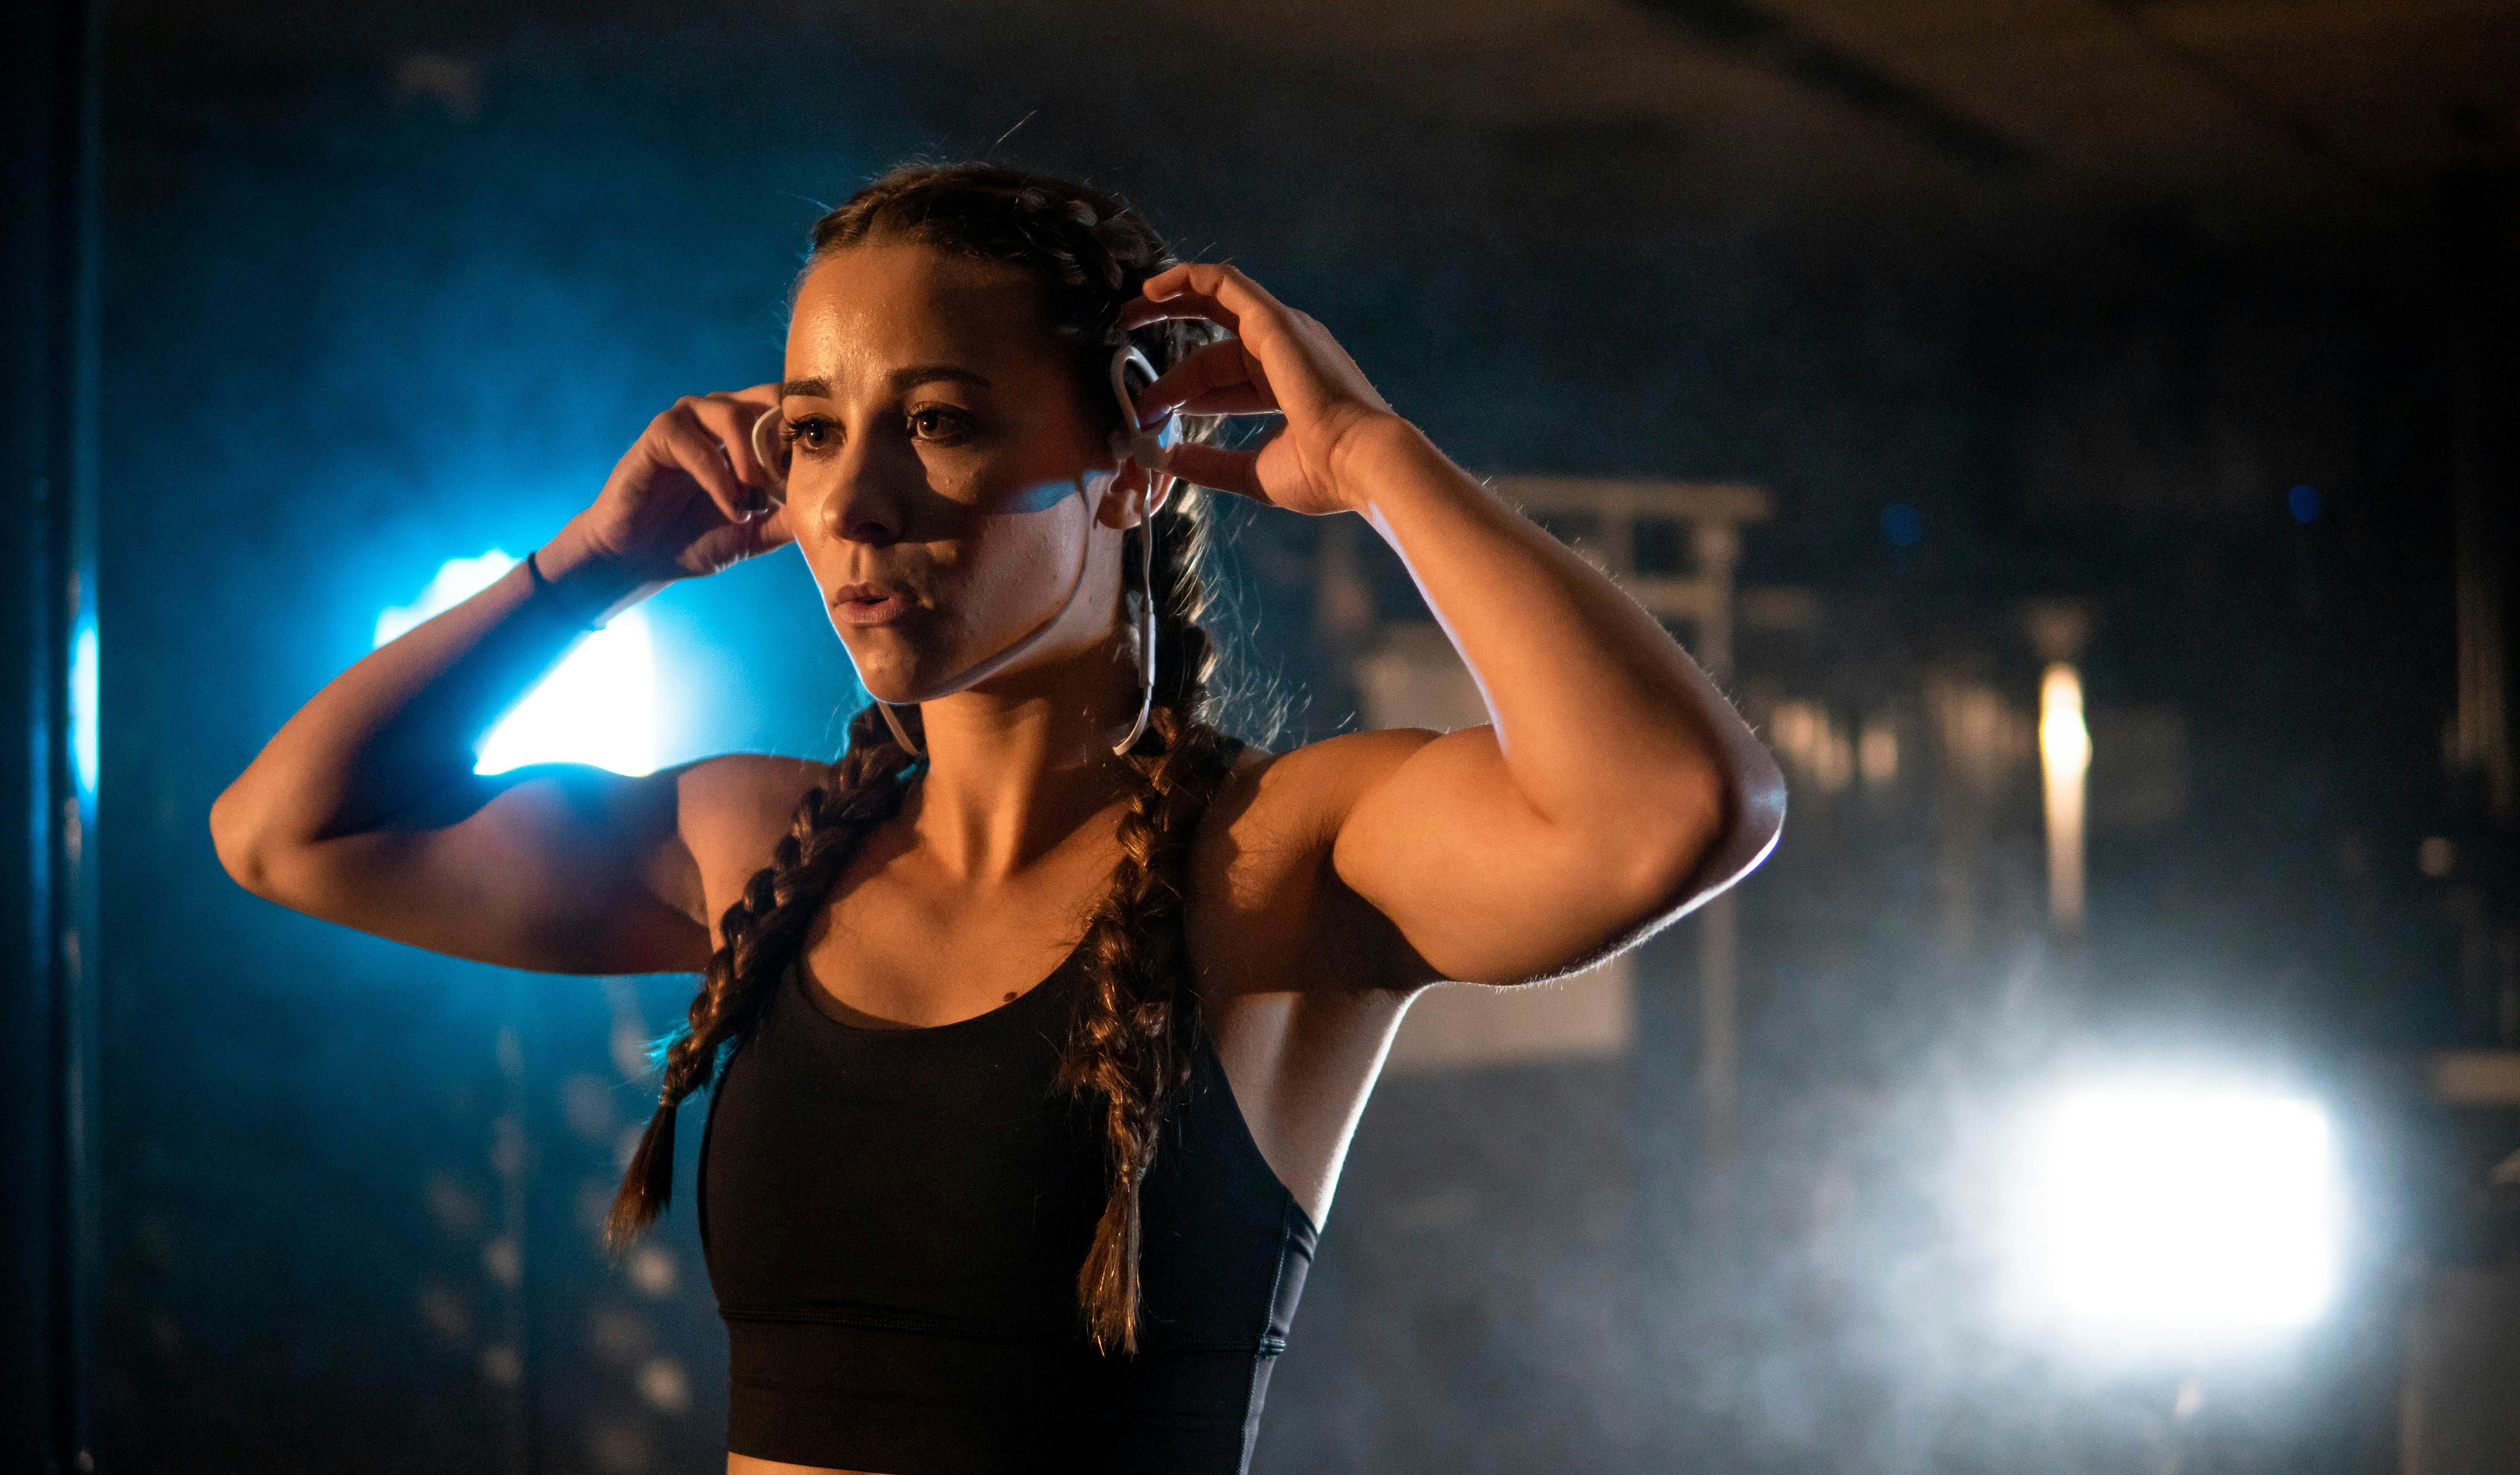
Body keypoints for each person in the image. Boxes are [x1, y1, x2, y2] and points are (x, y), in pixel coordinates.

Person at [210, 162, 1784, 1475]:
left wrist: (1373, 460)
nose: (851, 503)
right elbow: (291, 832)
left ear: (1129, 462)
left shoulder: (1285, 858)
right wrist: (594, 561)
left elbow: (1673, 808)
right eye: (815, 428)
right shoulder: (759, 847)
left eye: (941, 420)